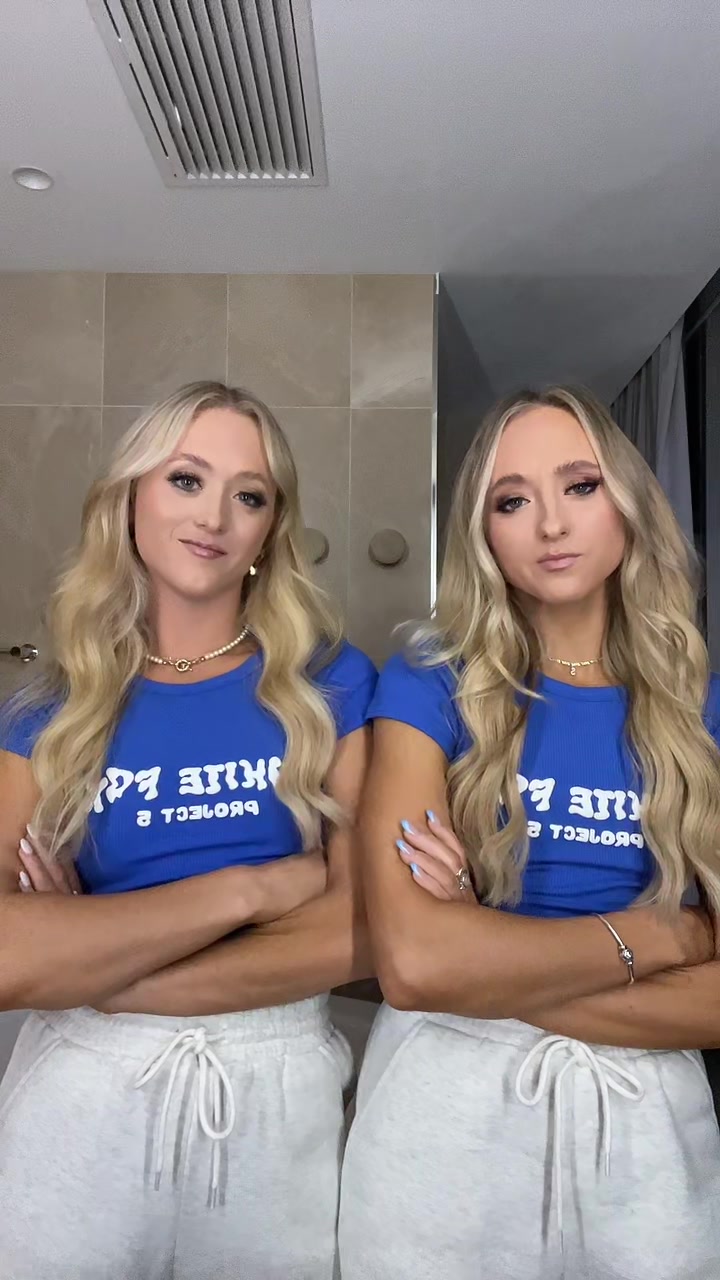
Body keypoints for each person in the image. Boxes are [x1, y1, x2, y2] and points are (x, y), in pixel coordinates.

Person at [338, 385, 720, 1280]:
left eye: (581, 486)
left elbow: (446, 969)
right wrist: (667, 937)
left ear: (629, 502)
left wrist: (483, 953)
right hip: (441, 1115)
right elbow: (416, 966)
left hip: (645, 1128)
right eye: (512, 500)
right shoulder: (430, 682)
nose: (551, 523)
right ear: (483, 532)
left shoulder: (701, 709)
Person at [0, 381, 376, 1280]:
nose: (214, 516)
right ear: (130, 495)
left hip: (274, 1092)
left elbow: (365, 930)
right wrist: (254, 889)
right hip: (79, 1099)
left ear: (270, 529)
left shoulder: (329, 682)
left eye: (249, 496)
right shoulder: (51, 705)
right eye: (185, 479)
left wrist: (95, 958)